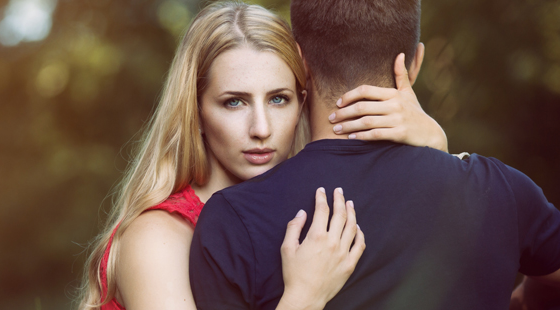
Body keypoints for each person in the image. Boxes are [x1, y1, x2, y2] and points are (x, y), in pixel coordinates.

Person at [188, 0, 560, 309]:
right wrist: (530, 292)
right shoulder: (497, 191)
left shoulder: (230, 221)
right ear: (413, 63)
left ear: (299, 63)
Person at [75, 2, 451, 309]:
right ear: (196, 113)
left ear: (303, 100)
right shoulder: (157, 239)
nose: (261, 128)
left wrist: (437, 147)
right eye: (234, 102)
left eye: (278, 99)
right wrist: (304, 297)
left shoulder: (311, 210)